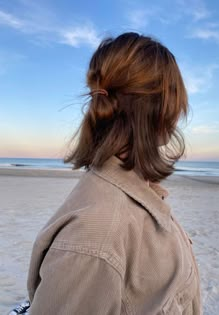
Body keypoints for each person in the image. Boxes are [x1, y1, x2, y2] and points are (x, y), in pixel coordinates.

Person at [26, 32, 202, 314]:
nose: (179, 111)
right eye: (175, 96)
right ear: (158, 107)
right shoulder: (97, 234)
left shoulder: (138, 190)